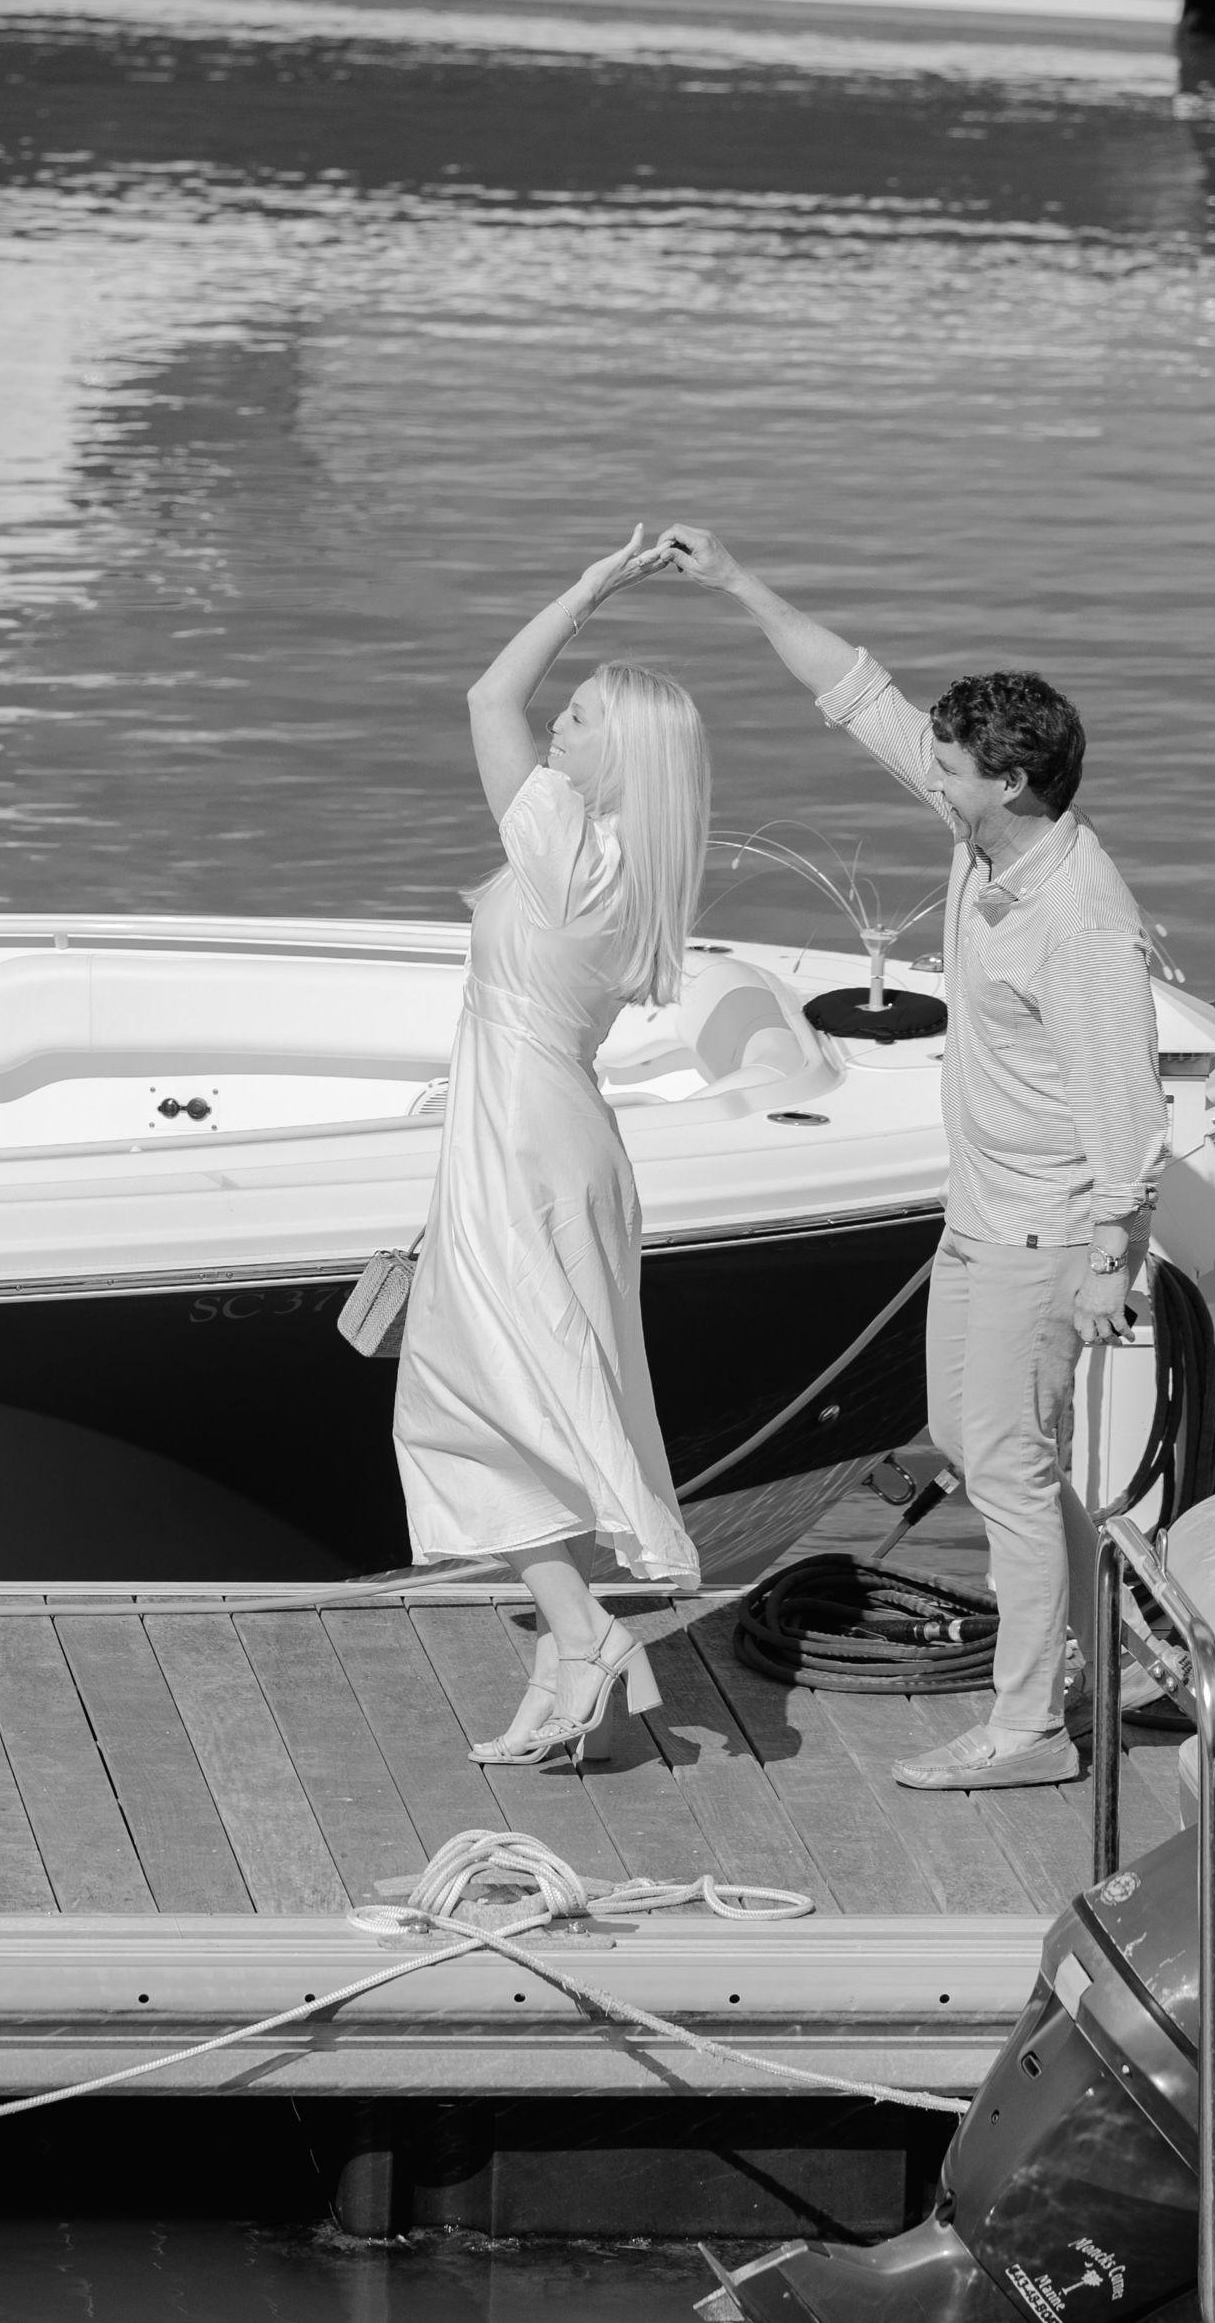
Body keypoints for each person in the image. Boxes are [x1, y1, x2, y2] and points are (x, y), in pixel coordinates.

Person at [662, 527, 1161, 1794]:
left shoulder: (1077, 922)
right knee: (973, 1440)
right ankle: (1089, 1659)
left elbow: (1124, 1108)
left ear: (1011, 781)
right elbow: (858, 695)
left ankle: (1028, 1727)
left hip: (1044, 1229)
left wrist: (1111, 1259)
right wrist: (735, 582)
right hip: (978, 1214)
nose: (927, 776)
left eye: (947, 768)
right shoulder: (984, 833)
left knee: (1004, 1465)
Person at [395, 531, 709, 1770]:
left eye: (577, 719)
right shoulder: (629, 866)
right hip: (551, 1129)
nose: (556, 728)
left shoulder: (568, 854)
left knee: (462, 1394)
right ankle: (565, 1665)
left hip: (519, 1141)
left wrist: (587, 588)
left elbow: (486, 696)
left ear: (618, 753)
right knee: (539, 1393)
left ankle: (585, 1633)